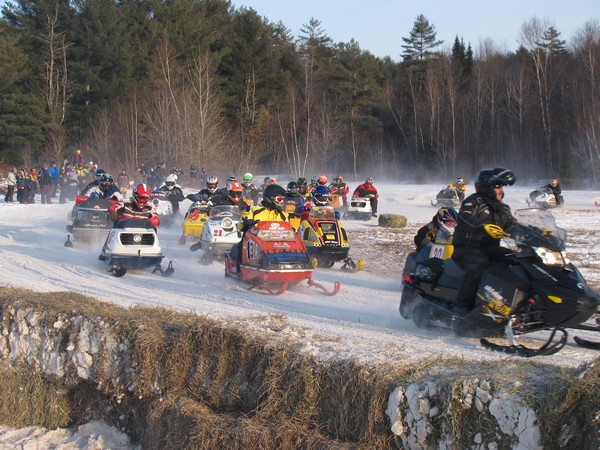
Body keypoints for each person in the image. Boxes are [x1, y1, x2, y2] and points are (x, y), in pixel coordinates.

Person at [451, 167, 517, 315]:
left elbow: (513, 224)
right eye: (497, 186)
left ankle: (510, 306)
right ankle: (462, 309)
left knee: (517, 260)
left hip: (491, 249)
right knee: (478, 264)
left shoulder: (503, 209)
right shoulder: (473, 202)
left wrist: (533, 231)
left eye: (502, 187)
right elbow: (465, 217)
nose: (501, 190)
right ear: (486, 187)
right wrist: (480, 226)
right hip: (468, 249)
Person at [230, 184, 289, 272]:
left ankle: (294, 263)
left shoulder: (283, 215)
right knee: (243, 243)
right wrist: (246, 223)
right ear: (270, 199)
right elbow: (240, 225)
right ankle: (240, 269)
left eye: (283, 200)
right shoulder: (255, 211)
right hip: (258, 241)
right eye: (279, 199)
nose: (282, 202)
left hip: (277, 242)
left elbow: (288, 228)